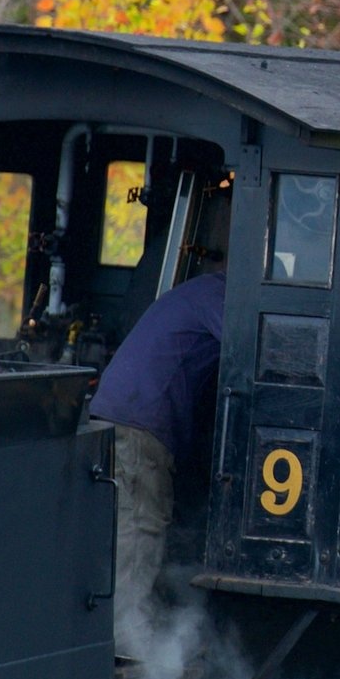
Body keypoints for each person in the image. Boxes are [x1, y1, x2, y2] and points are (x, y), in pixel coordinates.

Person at [88, 266, 228, 653]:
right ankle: (121, 647)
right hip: (139, 427)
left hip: (130, 421)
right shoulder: (222, 298)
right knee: (138, 533)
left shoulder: (198, 292)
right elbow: (254, 348)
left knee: (132, 531)